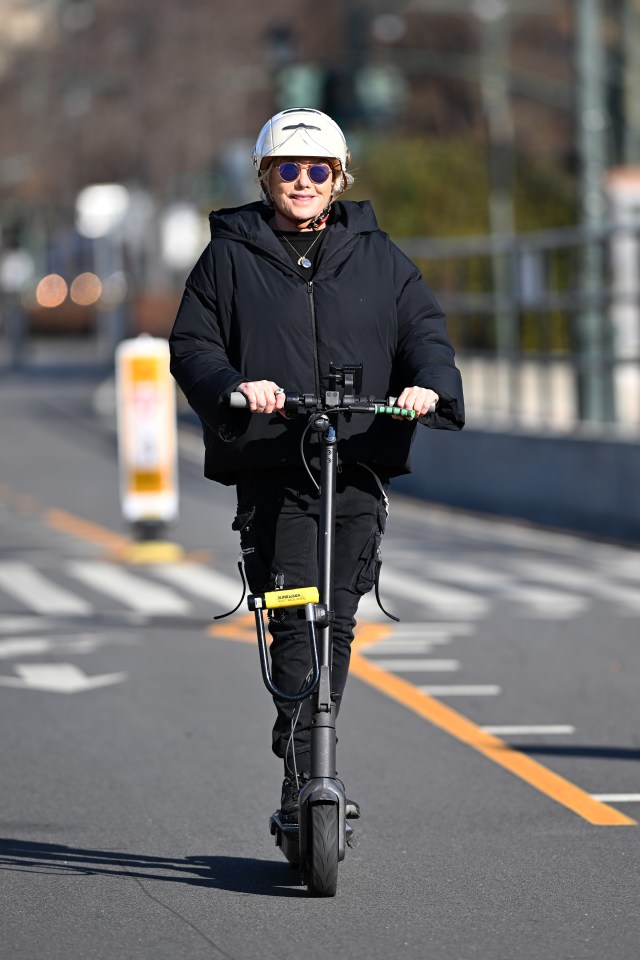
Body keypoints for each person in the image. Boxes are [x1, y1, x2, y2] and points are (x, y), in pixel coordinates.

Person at [169, 107, 464, 822]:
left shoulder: (380, 255)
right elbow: (193, 346)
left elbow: (424, 331)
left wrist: (428, 384)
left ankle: (308, 761)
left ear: (339, 179)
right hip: (276, 459)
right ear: (267, 176)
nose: (304, 183)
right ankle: (307, 772)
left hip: (356, 455)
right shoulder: (228, 256)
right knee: (296, 614)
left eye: (318, 170)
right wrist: (238, 388)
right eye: (290, 170)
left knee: (339, 614)